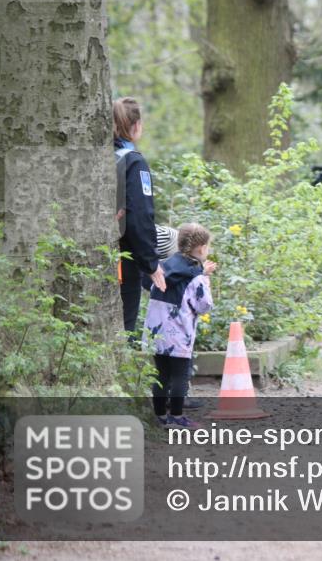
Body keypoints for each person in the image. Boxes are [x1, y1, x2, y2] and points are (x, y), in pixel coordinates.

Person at [143, 223, 216, 429]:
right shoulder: (196, 275)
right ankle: (176, 417)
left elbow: (150, 285)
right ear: (201, 248)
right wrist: (206, 278)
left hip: (156, 331)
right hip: (180, 334)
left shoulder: (164, 266)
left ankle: (160, 417)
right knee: (179, 377)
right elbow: (203, 306)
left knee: (161, 375)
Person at [113, 97, 166, 334]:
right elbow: (140, 218)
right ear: (135, 126)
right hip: (123, 260)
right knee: (122, 330)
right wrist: (151, 264)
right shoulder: (133, 162)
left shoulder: (97, 158)